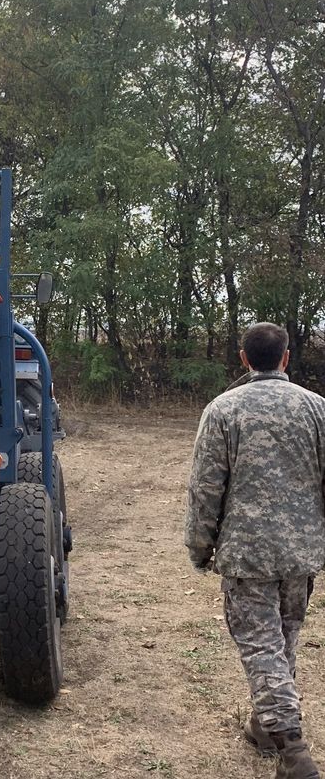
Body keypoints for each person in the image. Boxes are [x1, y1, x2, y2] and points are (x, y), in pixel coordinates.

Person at [185, 322, 325, 779]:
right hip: (300, 553)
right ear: (286, 357)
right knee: (282, 638)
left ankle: (294, 749)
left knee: (262, 646)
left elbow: (206, 488)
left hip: (248, 555)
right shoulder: (317, 409)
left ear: (243, 359)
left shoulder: (224, 410)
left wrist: (199, 546)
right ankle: (264, 729)